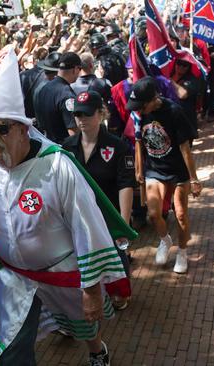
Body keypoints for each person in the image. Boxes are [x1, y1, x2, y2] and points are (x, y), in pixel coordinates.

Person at [0, 49, 136, 366]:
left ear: (24, 129)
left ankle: (97, 351)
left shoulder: (57, 166)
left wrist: (92, 287)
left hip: (64, 271)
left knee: (85, 326)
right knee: (11, 347)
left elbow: (87, 225)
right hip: (15, 277)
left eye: (2, 128)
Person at [62, 90, 135, 309]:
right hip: (78, 215)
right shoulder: (67, 147)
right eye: (78, 115)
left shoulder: (118, 147)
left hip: (108, 214)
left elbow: (126, 185)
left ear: (101, 114)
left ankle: (120, 289)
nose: (81, 120)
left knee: (116, 254)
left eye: (87, 114)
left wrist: (122, 222)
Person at [128, 76, 202, 273]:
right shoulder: (139, 115)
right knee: (153, 213)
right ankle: (165, 240)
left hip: (178, 171)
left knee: (180, 215)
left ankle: (182, 252)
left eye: (141, 106)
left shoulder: (174, 112)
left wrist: (194, 179)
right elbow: (138, 141)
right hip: (154, 168)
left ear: (153, 100)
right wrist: (138, 168)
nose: (138, 110)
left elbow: (185, 148)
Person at [34, 52, 81, 143]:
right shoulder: (67, 95)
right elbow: (73, 131)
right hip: (62, 150)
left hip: (45, 144)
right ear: (75, 69)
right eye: (80, 69)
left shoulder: (43, 89)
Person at [170, 58, 199, 140]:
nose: (181, 67)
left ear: (189, 67)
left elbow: (183, 94)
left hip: (185, 121)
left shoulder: (192, 79)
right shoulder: (168, 74)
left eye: (185, 65)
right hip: (170, 121)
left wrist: (170, 82)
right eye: (179, 63)